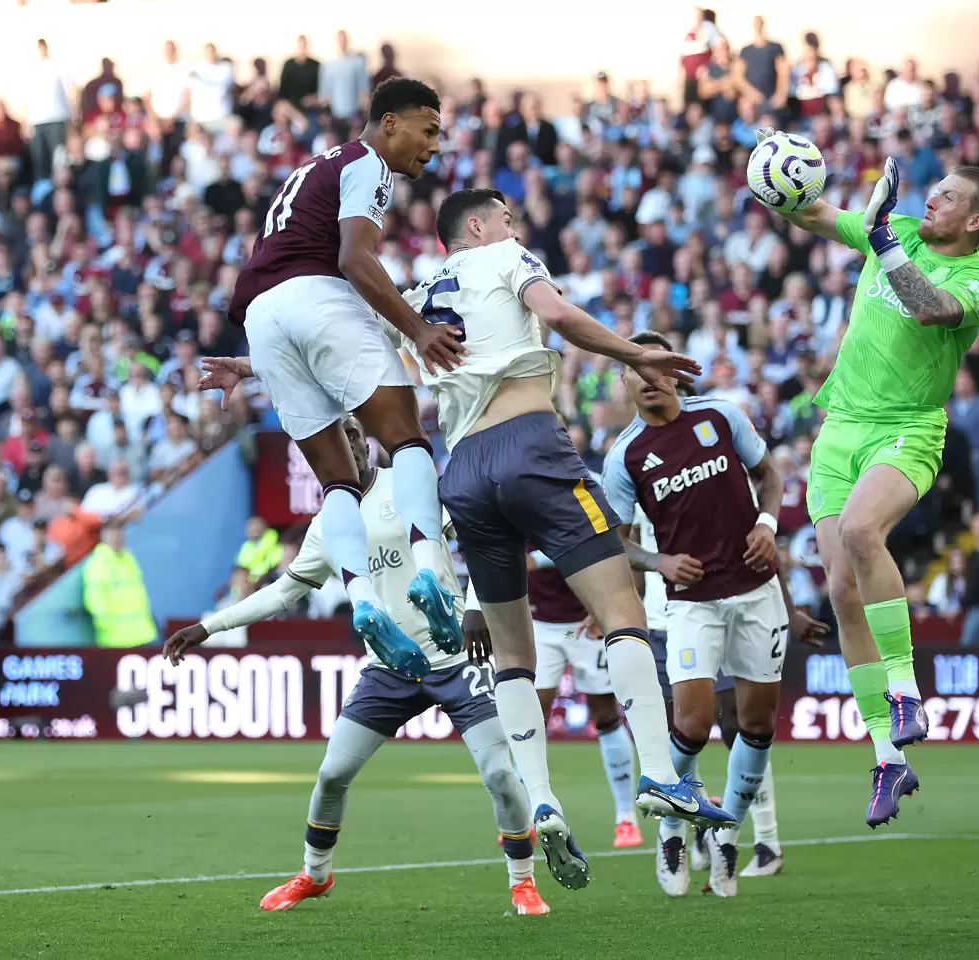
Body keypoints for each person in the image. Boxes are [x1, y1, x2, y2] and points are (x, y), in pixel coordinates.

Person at [200, 188, 736, 895]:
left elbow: (339, 360)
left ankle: (540, 796)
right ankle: (662, 778)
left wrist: (245, 368)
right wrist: (635, 353)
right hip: (530, 445)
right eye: (508, 216)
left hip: (464, 470)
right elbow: (559, 316)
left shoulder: (418, 297)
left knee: (513, 653)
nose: (516, 225)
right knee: (621, 613)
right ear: (479, 226)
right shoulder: (506, 256)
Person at [163, 417, 549, 916]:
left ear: (365, 444)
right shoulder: (328, 523)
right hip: (388, 668)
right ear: (318, 455)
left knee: (499, 772)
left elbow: (483, 539)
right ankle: (314, 874)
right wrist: (210, 627)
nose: (348, 448)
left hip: (455, 658)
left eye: (352, 437)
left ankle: (522, 881)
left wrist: (476, 606)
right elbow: (285, 591)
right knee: (331, 775)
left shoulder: (410, 484)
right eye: (334, 442)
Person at [754, 137, 979, 826]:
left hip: (907, 430)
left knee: (864, 532)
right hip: (838, 431)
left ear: (975, 222)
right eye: (935, 189)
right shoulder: (891, 228)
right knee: (839, 588)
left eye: (949, 195)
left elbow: (929, 307)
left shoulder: (978, 279)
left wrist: (879, 243)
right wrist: (773, 185)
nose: (933, 197)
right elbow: (812, 217)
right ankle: (888, 759)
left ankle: (905, 690)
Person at [215, 77, 466, 679]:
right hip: (316, 293)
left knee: (338, 483)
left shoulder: (311, 170)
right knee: (406, 439)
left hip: (261, 318)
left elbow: (284, 275)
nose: (432, 147)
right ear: (388, 123)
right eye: (426, 130)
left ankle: (362, 602)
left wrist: (252, 364)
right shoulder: (368, 164)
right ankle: (431, 572)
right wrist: (418, 328)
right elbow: (354, 259)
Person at [603, 330, 824, 897]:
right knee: (694, 724)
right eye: (637, 369)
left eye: (659, 368)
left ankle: (728, 832)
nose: (650, 378)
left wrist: (768, 527)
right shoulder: (624, 456)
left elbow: (769, 476)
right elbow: (616, 542)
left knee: (753, 725)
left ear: (677, 373)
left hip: (757, 592)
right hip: (691, 603)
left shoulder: (722, 417)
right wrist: (660, 560)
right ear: (624, 380)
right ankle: (673, 826)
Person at [528, 546, 642, 849]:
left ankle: (626, 818)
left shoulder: (571, 499)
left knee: (606, 715)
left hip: (586, 620)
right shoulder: (512, 500)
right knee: (531, 720)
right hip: (538, 624)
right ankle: (528, 817)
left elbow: (579, 543)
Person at [83, 524, 157, 648]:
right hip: (115, 638)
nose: (117, 538)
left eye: (120, 533)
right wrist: (106, 625)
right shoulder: (97, 564)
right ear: (103, 537)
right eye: (112, 534)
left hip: (142, 633)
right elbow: (95, 599)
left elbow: (138, 592)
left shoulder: (128, 558)